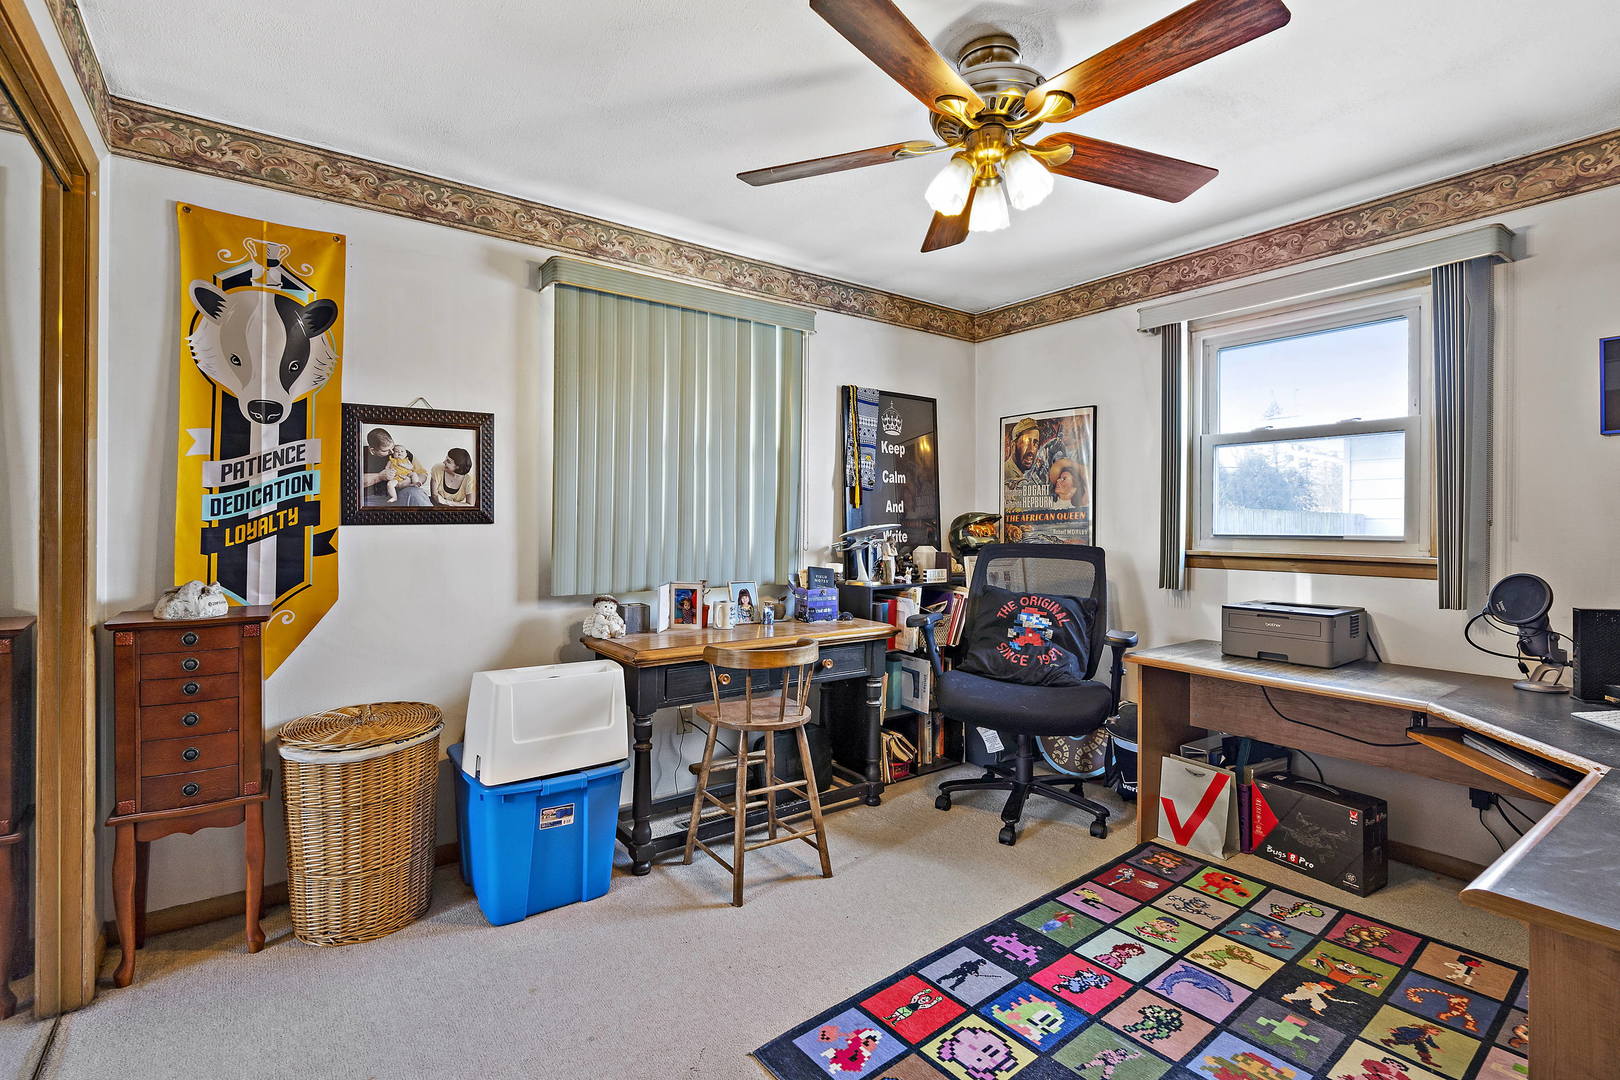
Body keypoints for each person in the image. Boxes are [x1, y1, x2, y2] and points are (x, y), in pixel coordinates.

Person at [363, 428, 430, 506]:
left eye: (392, 447)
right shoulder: (359, 454)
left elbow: (423, 474)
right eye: (386, 450)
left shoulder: (403, 452)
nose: (392, 452)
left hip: (401, 494)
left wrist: (412, 481)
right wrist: (379, 476)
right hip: (370, 499)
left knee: (416, 493)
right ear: (372, 450)